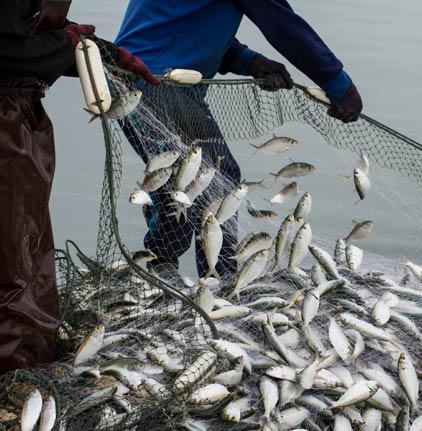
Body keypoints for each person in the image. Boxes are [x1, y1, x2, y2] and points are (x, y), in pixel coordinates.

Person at [115, 0, 363, 283]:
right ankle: (217, 279)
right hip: (154, 84)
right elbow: (284, 28)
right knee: (212, 178)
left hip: (151, 81)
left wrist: (248, 61)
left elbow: (187, 23)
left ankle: (170, 270)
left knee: (187, 179)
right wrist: (340, 84)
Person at [0, 0, 157, 374]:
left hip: (16, 113)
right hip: (3, 121)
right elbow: (7, 48)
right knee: (10, 257)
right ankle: (15, 376)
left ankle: (26, 361)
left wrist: (107, 53)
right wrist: (66, 44)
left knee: (25, 245)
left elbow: (24, 30)